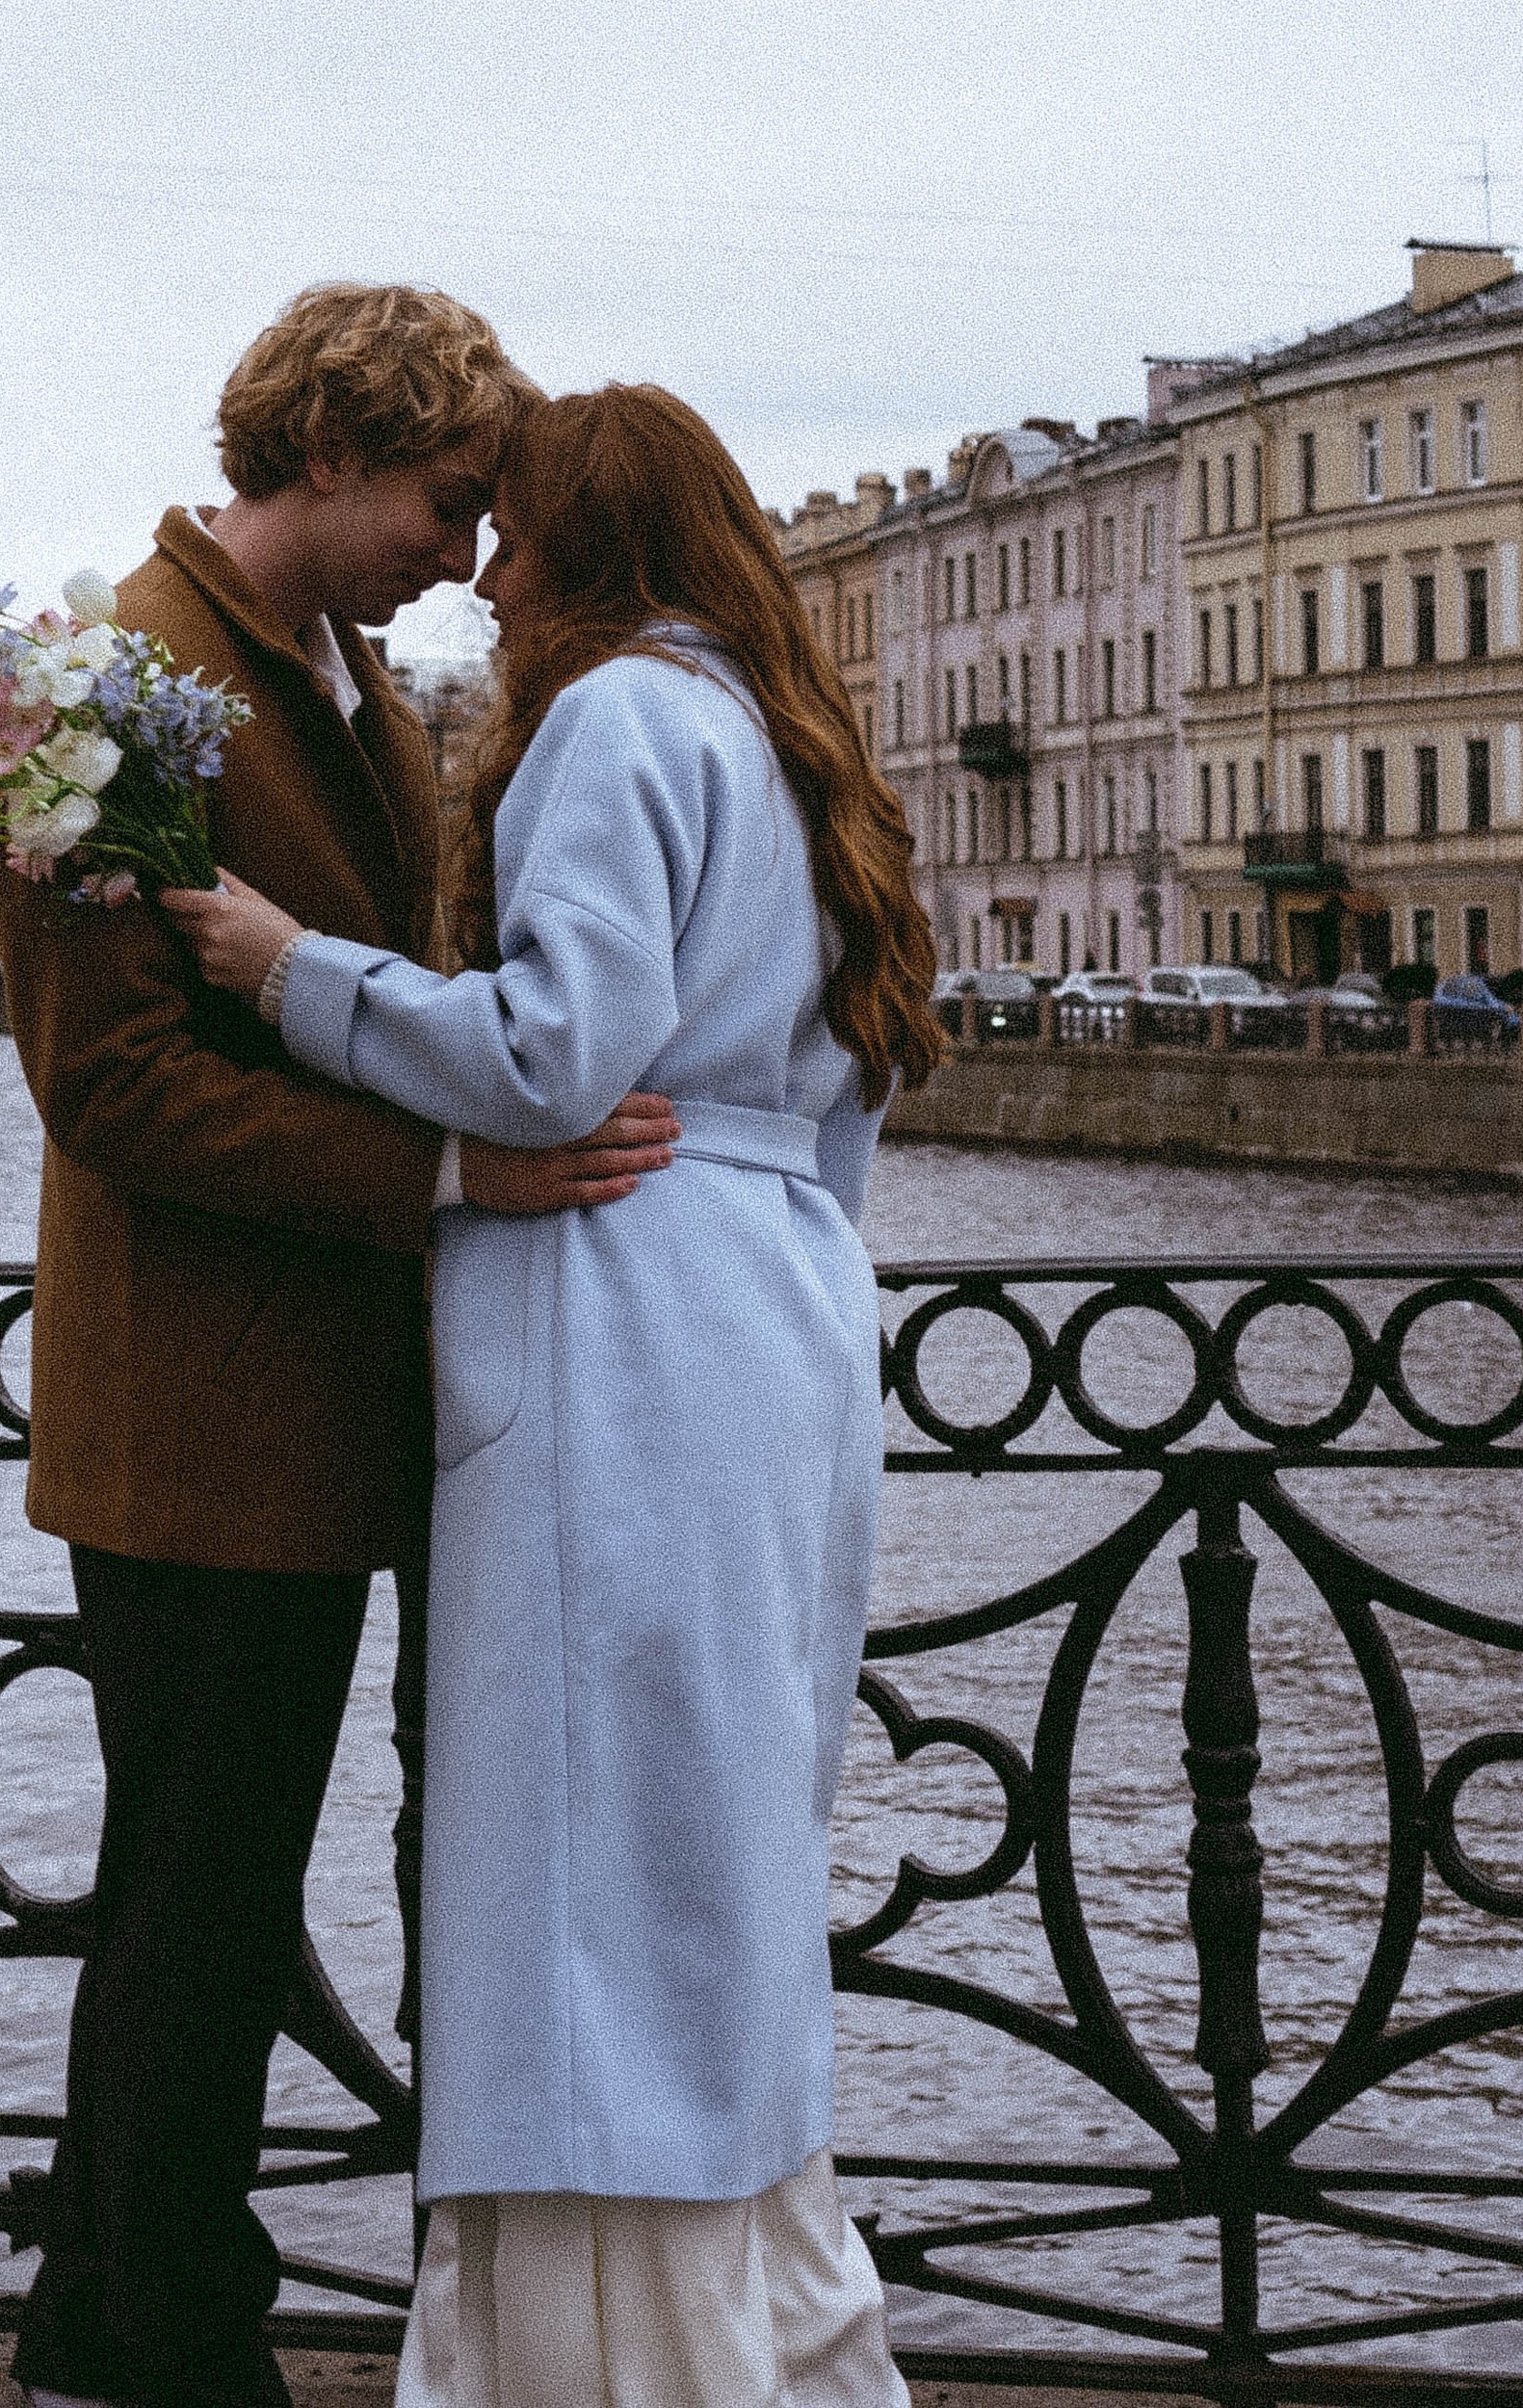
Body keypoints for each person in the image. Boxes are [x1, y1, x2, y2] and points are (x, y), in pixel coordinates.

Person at [165, 381, 943, 2408]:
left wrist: (285, 972)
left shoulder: (609, 721)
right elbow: (834, 1119)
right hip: (776, 1310)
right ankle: (766, 2327)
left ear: (584, 547)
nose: (483, 577)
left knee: (589, 1870)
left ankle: (596, 2366)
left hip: (619, 1317)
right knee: (721, 1853)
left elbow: (552, 1064)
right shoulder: (784, 738)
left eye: (510, 534)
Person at [0, 287, 676, 2408]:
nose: (468, 554)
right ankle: (187, 2350)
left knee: (189, 1902)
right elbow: (106, 1085)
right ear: (327, 449)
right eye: (446, 501)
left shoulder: (332, 663)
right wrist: (453, 1187)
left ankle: (92, 2326)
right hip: (201, 1412)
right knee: (205, 1912)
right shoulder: (107, 676)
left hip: (309, 1408)